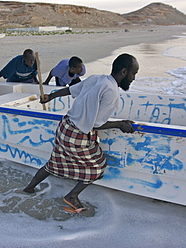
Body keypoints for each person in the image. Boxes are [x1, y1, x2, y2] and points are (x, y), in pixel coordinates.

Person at [23, 53, 139, 213]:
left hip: (65, 126)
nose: (134, 78)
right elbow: (97, 124)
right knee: (97, 167)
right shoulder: (112, 92)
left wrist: (51, 96)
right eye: (134, 73)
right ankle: (72, 196)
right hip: (76, 135)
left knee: (54, 163)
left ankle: (28, 188)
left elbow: (71, 90)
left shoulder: (97, 78)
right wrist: (120, 124)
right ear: (124, 72)